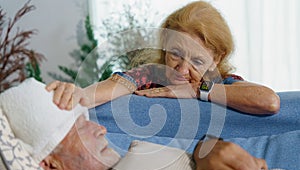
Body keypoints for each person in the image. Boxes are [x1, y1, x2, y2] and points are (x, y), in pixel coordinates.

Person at [0, 78, 270, 170]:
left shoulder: (133, 159)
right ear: (51, 166)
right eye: (81, 126)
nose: (102, 129)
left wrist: (206, 151)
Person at [46, 1, 280, 115]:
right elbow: (99, 93)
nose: (182, 69)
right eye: (176, 55)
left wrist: (198, 91)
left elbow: (269, 101)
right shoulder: (149, 75)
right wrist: (77, 94)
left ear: (216, 59)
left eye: (197, 61)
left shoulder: (222, 82)